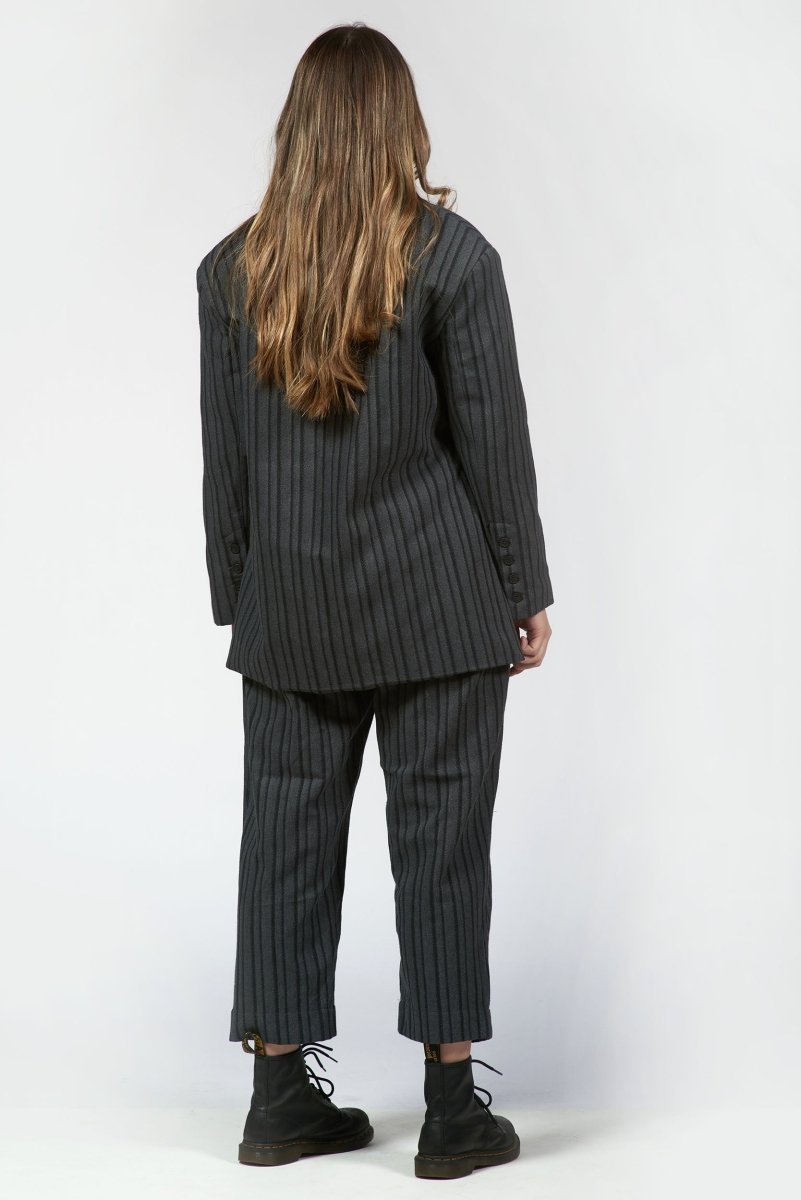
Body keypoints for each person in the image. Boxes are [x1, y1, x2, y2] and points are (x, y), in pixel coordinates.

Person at [196, 21, 554, 1180]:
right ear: (399, 123)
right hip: (438, 603)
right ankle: (452, 1116)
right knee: (443, 844)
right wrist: (523, 590)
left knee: (283, 840)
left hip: (290, 611)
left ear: (296, 128)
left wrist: (240, 595)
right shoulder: (453, 260)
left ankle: (277, 1100)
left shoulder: (231, 272)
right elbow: (493, 441)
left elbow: (226, 461)